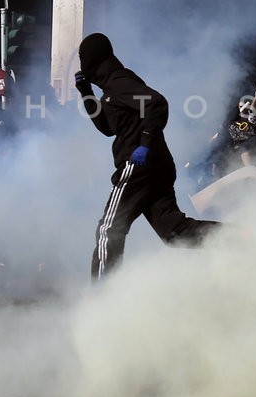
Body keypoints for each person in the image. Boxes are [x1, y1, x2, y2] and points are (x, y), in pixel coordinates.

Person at [74, 33, 221, 281]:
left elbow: (157, 103)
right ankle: (240, 238)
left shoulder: (120, 81)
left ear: (92, 59)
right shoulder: (110, 89)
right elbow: (107, 128)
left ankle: (101, 296)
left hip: (138, 164)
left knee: (109, 229)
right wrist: (86, 92)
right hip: (153, 167)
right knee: (175, 232)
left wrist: (144, 142)